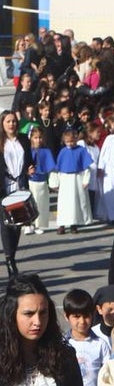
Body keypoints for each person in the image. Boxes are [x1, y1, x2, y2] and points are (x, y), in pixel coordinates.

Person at [63, 288, 110, 386]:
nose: (82, 321)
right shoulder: (62, 344)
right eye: (76, 316)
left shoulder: (100, 344)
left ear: (93, 315)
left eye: (86, 316)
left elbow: (108, 375)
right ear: (66, 316)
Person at [0, 111, 32, 276]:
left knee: (18, 223)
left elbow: (29, 160)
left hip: (20, 186)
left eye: (13, 121)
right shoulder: (1, 141)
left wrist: (30, 169)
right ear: (2, 124)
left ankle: (12, 255)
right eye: (8, 121)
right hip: (4, 187)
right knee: (6, 224)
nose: (11, 124)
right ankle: (9, 261)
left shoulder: (23, 139)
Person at [54, 126, 93, 233]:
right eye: (67, 142)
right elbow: (58, 169)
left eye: (71, 141)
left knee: (75, 203)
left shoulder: (81, 150)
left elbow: (86, 168)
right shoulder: (63, 151)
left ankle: (74, 224)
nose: (69, 144)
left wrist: (86, 180)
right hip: (65, 180)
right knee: (63, 203)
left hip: (77, 179)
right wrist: (56, 182)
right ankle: (61, 224)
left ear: (76, 139)